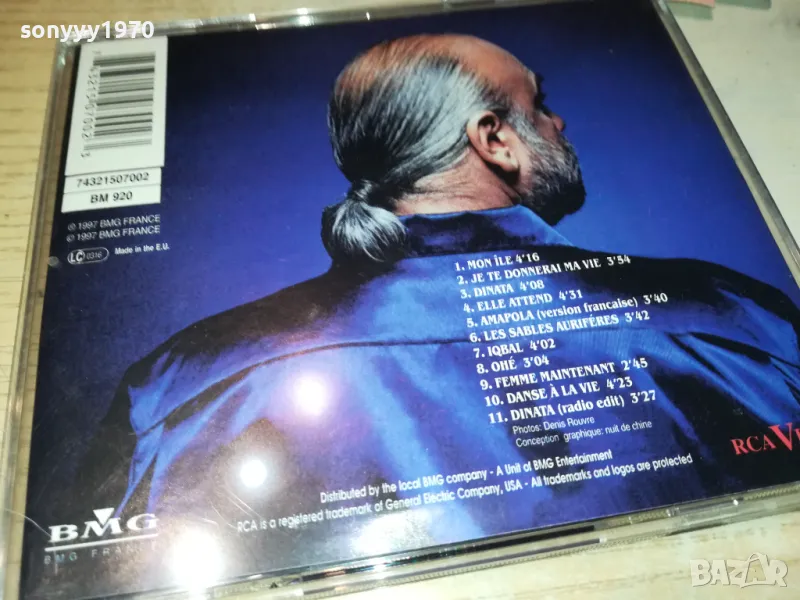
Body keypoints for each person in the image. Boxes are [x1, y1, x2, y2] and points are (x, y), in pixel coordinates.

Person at [79, 34, 800, 576]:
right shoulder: (731, 321)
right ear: (494, 139)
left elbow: (116, 572)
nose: (559, 123)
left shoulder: (187, 378)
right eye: (539, 104)